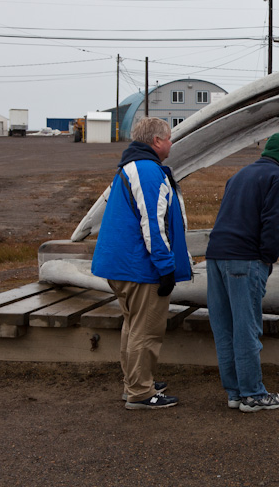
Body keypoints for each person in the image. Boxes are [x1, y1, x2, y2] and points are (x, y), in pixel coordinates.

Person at [91, 117, 191, 410]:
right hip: (140, 267)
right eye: (169, 138)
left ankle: (136, 380)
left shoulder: (130, 167)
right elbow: (152, 222)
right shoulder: (148, 171)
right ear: (157, 141)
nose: (171, 143)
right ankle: (140, 392)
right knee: (146, 329)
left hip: (121, 265)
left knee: (133, 325)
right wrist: (166, 267)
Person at [205, 132, 279, 412]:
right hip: (245, 259)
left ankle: (235, 392)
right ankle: (253, 394)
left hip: (215, 256)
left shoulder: (239, 175)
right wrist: (267, 260)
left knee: (225, 327)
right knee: (246, 328)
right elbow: (274, 226)